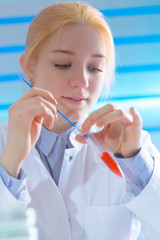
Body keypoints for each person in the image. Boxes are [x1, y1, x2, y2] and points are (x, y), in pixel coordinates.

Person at [0, 2, 160, 240]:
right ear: (29, 66)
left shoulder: (134, 148)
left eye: (95, 68)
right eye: (63, 65)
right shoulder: (4, 145)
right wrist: (10, 163)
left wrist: (135, 163)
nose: (82, 81)